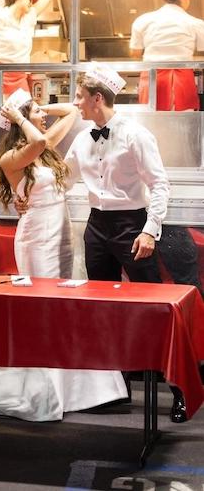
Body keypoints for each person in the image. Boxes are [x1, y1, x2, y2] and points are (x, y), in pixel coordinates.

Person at [0, 87, 128, 421]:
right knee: (43, 304)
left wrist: (34, 107)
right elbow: (38, 142)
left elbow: (70, 113)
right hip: (36, 239)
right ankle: (41, 385)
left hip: (61, 236)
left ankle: (77, 386)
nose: (44, 115)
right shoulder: (13, 158)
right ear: (21, 122)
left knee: (66, 300)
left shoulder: (43, 151)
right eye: (37, 112)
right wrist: (17, 116)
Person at [65, 64, 187, 423]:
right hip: (97, 228)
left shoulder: (136, 134)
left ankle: (179, 389)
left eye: (79, 97)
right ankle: (115, 388)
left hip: (132, 225)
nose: (76, 103)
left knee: (156, 309)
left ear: (96, 98)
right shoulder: (81, 137)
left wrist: (150, 230)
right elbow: (63, 176)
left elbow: (160, 185)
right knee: (103, 309)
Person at [131, 0, 204, 112]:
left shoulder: (143, 20)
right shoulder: (195, 23)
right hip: (181, 80)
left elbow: (135, 53)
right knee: (182, 125)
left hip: (152, 79)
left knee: (151, 122)